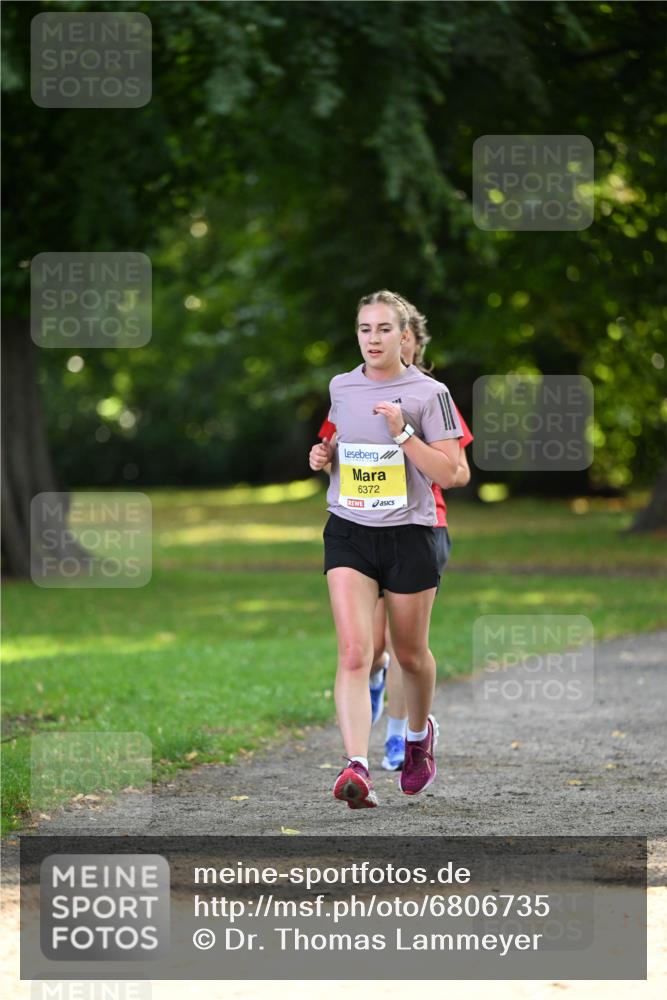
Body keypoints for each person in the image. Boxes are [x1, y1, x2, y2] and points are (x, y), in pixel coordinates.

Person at [309, 290, 463, 808]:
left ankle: (419, 738)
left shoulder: (430, 393)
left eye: (382, 329)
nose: (372, 339)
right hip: (349, 529)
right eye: (364, 329)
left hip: (410, 536)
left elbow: (453, 473)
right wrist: (325, 456)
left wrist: (403, 436)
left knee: (410, 654)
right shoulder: (342, 386)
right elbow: (347, 449)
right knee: (355, 652)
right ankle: (356, 765)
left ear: (404, 336)